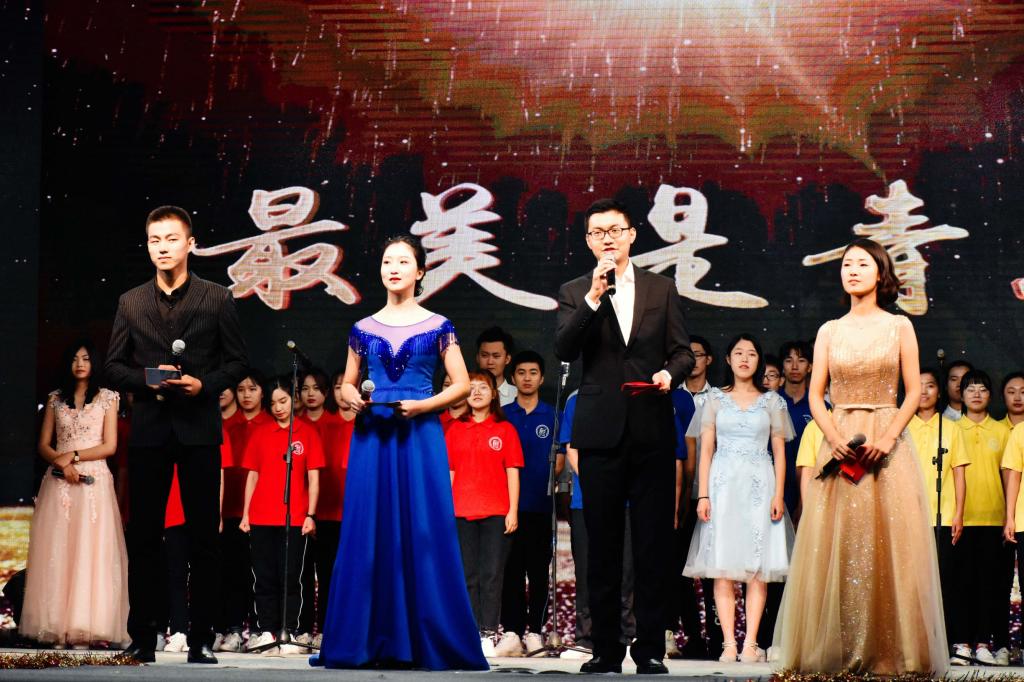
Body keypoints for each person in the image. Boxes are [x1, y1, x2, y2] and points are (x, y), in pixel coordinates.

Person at [311, 235, 487, 671]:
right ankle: (366, 639)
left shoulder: (439, 325)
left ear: (420, 271)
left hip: (419, 434)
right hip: (373, 435)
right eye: (388, 261)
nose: (394, 268)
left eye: (404, 262)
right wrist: (350, 396)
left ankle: (427, 639)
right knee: (367, 530)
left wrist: (425, 406)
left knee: (424, 530)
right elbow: (348, 382)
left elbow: (462, 384)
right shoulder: (363, 328)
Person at [773, 238, 947, 675]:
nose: (852, 270)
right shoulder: (829, 331)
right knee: (840, 547)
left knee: (892, 548)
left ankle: (894, 653)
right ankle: (837, 649)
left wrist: (886, 439)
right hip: (842, 443)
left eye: (862, 264)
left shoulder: (899, 326)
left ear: (880, 273)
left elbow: (913, 392)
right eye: (847, 264)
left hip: (887, 444)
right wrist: (833, 438)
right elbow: (816, 395)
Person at [554, 197, 694, 674]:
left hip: (651, 428)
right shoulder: (576, 291)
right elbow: (565, 348)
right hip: (599, 431)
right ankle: (605, 649)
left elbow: (683, 352)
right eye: (598, 232)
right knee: (603, 546)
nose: (607, 239)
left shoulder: (661, 288)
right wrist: (594, 298)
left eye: (615, 230)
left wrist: (669, 374)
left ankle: (649, 648)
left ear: (632, 235)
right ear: (588, 241)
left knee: (652, 544)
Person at [105, 205, 248, 664]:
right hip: (150, 430)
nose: (162, 248)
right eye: (155, 240)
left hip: (199, 429)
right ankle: (143, 637)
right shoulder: (131, 302)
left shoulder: (217, 298)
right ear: (148, 247)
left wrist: (204, 385)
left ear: (191, 244)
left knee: (204, 537)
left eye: (171, 239)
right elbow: (113, 366)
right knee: (145, 535)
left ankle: (202, 637)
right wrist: (149, 380)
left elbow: (238, 362)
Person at [684, 334, 794, 664]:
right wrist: (703, 494)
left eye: (751, 354)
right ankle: (729, 643)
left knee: (758, 567)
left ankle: (751, 643)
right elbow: (706, 451)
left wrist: (778, 494)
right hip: (723, 487)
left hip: (761, 486)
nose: (745, 359)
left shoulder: (772, 402)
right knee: (723, 567)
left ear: (759, 361)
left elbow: (780, 453)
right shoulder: (714, 399)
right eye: (738, 353)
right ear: (728, 360)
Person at [20, 341, 127, 648]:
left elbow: (110, 445)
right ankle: (55, 626)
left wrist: (75, 457)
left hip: (94, 480)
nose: (80, 363)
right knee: (58, 548)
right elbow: (44, 444)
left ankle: (88, 626)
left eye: (86, 358)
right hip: (59, 480)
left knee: (90, 549)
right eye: (75, 359)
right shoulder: (55, 398)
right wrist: (62, 463)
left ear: (95, 362)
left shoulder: (108, 397)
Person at [240, 376, 324, 655]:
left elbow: (313, 478)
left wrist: (310, 514)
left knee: (291, 577)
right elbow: (253, 476)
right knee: (263, 577)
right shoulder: (260, 432)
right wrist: (246, 513)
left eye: (283, 401)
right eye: (273, 403)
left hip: (294, 517)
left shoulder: (307, 432)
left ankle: (291, 630)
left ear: (293, 400)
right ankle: (267, 630)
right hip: (261, 515)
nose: (278, 408)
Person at [446, 371, 524, 656]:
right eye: (472, 388)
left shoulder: (506, 430)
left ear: (494, 394)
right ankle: (470, 631)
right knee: (468, 575)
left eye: (483, 387)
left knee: (492, 575)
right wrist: (447, 511)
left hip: (496, 512)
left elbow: (512, 472)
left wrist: (512, 510)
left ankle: (488, 633)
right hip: (461, 511)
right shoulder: (455, 429)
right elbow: (450, 473)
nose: (477, 392)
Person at [557, 389, 638, 661]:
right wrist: (596, 482)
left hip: (627, 500)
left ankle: (626, 637)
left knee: (626, 570)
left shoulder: (633, 397)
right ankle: (586, 638)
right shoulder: (577, 400)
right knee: (588, 570)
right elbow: (571, 448)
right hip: (587, 499)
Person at [907, 367, 970, 664]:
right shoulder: (902, 427)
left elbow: (959, 474)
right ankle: (915, 643)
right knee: (913, 581)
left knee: (944, 579)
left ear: (939, 391)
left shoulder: (951, 428)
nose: (923, 391)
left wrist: (959, 513)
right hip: (909, 516)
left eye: (930, 385)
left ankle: (944, 642)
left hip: (942, 517)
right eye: (917, 385)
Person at [497, 350, 556, 656]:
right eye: (521, 372)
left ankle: (535, 631)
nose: (527, 378)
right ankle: (511, 631)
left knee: (539, 572)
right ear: (513, 377)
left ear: (542, 378)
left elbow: (560, 461)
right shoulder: (502, 414)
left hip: (540, 507)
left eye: (533, 372)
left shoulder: (553, 415)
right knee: (511, 571)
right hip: (508, 508)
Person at [953, 369, 1012, 665]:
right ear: (960, 395)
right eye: (970, 389)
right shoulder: (952, 430)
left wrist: (1008, 517)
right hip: (960, 521)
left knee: (990, 585)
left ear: (991, 395)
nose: (976, 394)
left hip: (993, 519)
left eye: (982, 389)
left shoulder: (1003, 431)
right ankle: (962, 643)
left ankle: (985, 643)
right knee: (962, 584)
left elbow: (1009, 478)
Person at [217, 371, 271, 651]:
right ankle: (234, 629)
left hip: (262, 510)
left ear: (263, 392)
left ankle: (260, 629)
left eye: (252, 388)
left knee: (260, 572)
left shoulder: (272, 424)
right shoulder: (225, 425)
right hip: (229, 509)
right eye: (241, 389)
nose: (246, 394)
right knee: (231, 571)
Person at [304, 368, 355, 648]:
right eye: (337, 387)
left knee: (354, 574)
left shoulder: (366, 425)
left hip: (356, 514)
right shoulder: (322, 425)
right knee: (324, 574)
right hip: (323, 513)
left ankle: (352, 629)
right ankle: (323, 628)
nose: (342, 392)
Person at [676, 335, 721, 660]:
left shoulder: (719, 398)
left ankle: (717, 638)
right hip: (679, 496)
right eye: (687, 355)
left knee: (712, 570)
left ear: (710, 360)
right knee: (680, 570)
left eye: (698, 354)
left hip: (712, 497)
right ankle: (692, 635)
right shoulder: (670, 396)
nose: (693, 361)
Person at [476, 326, 517, 406]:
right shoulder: (467, 393)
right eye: (484, 355)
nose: (490, 362)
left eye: (496, 356)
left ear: (507, 359)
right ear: (477, 358)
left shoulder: (517, 395)